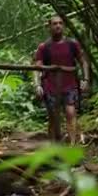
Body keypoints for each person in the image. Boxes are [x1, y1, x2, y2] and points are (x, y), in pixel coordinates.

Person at [33, 14, 90, 145]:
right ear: (49, 27)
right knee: (54, 118)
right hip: (50, 86)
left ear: (63, 26)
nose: (58, 26)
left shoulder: (72, 44)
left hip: (69, 85)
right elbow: (37, 67)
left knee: (70, 113)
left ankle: (72, 146)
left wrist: (86, 79)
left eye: (60, 23)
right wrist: (37, 85)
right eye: (55, 23)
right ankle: (53, 148)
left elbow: (83, 62)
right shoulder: (44, 47)